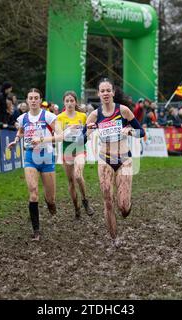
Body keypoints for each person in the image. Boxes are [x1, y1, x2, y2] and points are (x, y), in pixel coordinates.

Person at [84, 78, 145, 246]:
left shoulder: (123, 111)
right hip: (105, 159)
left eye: (108, 90)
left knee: (124, 207)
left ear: (113, 92)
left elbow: (141, 132)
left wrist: (130, 130)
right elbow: (81, 140)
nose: (105, 93)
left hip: (124, 159)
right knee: (108, 200)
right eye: (102, 91)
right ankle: (114, 238)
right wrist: (87, 131)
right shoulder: (94, 115)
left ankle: (126, 205)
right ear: (98, 94)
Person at [7, 88, 57, 241]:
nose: (33, 100)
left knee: (50, 198)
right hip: (30, 157)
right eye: (31, 98)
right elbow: (21, 132)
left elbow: (59, 135)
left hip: (47, 157)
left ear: (40, 100)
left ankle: (50, 204)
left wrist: (45, 140)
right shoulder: (22, 118)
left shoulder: (48, 116)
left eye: (36, 98)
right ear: (27, 100)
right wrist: (16, 141)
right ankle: (36, 231)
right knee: (33, 192)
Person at [55, 91, 93, 218]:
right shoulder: (60, 117)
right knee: (71, 181)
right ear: (64, 103)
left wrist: (85, 135)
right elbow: (59, 137)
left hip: (80, 149)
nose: (70, 103)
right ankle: (76, 206)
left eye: (72, 100)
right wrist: (68, 130)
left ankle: (85, 200)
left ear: (75, 102)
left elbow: (89, 132)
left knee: (78, 175)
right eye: (67, 101)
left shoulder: (82, 116)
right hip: (67, 151)